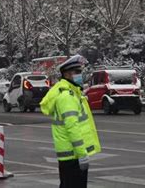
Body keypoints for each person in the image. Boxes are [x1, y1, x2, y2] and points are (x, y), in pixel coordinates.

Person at [40, 54, 101, 188]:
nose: (80, 75)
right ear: (67, 74)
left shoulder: (72, 93)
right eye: (77, 72)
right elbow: (72, 128)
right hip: (73, 156)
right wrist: (82, 154)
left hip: (71, 156)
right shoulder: (67, 97)